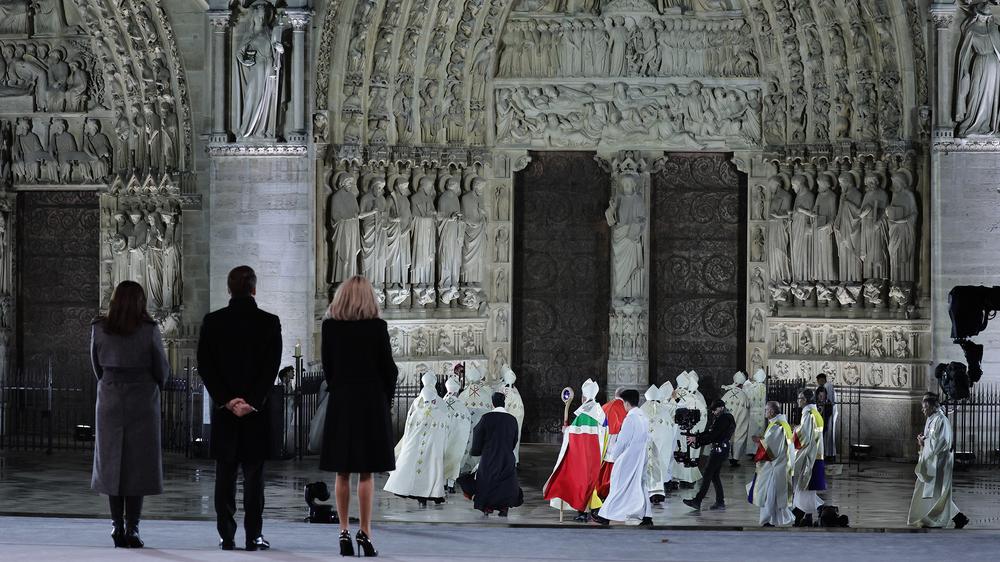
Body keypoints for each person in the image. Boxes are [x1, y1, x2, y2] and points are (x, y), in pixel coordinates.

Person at [198, 266, 282, 551]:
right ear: (254, 289)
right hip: (255, 413)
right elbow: (271, 368)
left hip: (225, 412)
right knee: (254, 478)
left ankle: (226, 535)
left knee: (225, 476)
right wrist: (252, 402)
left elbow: (206, 366)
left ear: (229, 290)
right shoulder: (270, 323)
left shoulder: (213, 322)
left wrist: (226, 400)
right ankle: (253, 536)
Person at [319, 275, 398, 557]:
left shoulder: (330, 328)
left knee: (342, 471)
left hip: (342, 401)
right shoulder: (377, 328)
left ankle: (343, 532)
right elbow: (389, 369)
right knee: (366, 472)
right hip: (371, 402)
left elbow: (327, 368)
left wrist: (341, 388)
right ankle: (364, 533)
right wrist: (383, 398)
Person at [90, 281, 169, 548]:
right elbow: (161, 367)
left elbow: (96, 366)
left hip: (110, 398)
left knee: (112, 462)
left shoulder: (99, 328)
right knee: (137, 464)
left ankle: (116, 525)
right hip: (142, 399)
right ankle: (133, 527)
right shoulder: (148, 330)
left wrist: (111, 382)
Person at [544, 378, 607, 522]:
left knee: (581, 482)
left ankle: (583, 512)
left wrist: (566, 430)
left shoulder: (586, 413)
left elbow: (577, 434)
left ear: (584, 397)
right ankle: (591, 510)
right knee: (590, 481)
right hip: (596, 454)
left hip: (583, 455)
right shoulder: (599, 411)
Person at [384, 372, 449, 507]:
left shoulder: (417, 402)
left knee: (415, 464)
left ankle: (416, 491)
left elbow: (409, 425)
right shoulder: (441, 404)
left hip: (417, 442)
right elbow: (447, 427)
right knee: (432, 467)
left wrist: (407, 441)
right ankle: (431, 493)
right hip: (433, 444)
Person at [907, 393, 969, 529]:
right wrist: (923, 441)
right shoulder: (931, 419)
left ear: (934, 406)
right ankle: (958, 517)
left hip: (940, 462)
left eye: (926, 407)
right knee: (934, 491)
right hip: (932, 461)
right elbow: (932, 439)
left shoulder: (941, 419)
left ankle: (936, 519)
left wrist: (924, 442)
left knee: (939, 491)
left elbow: (942, 442)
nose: (923, 410)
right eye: (923, 407)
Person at [457, 392, 524, 516]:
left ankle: (487, 507)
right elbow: (515, 439)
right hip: (506, 457)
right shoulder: (512, 419)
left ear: (492, 403)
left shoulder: (486, 418)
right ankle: (504, 508)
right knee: (506, 482)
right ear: (504, 403)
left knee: (487, 481)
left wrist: (477, 451)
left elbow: (477, 433)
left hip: (489, 456)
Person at [594, 389, 654, 528]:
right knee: (641, 485)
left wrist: (615, 456)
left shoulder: (630, 418)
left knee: (618, 486)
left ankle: (605, 515)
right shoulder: (643, 417)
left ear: (626, 403)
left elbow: (622, 441)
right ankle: (647, 515)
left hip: (628, 459)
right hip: (641, 457)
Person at [746, 401, 794, 527]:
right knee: (774, 496)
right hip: (780, 466)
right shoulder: (781, 424)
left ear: (772, 412)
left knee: (769, 496)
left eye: (766, 410)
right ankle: (775, 520)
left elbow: (772, 451)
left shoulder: (777, 426)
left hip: (775, 467)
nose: (765, 412)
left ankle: (766, 521)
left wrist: (759, 441)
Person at [683, 399, 736, 511]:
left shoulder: (724, 418)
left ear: (721, 407)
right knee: (714, 476)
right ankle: (720, 502)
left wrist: (697, 439)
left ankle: (697, 501)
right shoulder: (725, 417)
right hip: (721, 449)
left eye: (714, 410)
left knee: (707, 474)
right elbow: (710, 431)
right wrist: (697, 437)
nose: (713, 412)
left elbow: (713, 435)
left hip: (719, 450)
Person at [791, 389, 826, 527]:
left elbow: (804, 437)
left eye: (799, 398)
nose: (798, 400)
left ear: (805, 400)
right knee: (807, 489)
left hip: (809, 457)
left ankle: (803, 514)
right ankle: (809, 516)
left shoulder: (808, 414)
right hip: (816, 455)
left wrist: (795, 430)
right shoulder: (815, 414)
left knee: (803, 488)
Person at [596, 387, 628, 501]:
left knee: (604, 469)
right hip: (617, 442)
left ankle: (600, 491)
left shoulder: (604, 406)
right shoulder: (625, 408)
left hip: (603, 441)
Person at [443, 376, 472, 492]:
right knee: (454, 459)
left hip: (444, 439)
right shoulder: (461, 406)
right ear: (457, 390)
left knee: (443, 459)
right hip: (456, 439)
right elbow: (467, 422)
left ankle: (443, 483)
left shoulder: (441, 403)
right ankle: (451, 485)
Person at [722, 372, 751, 467]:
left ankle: (727, 455)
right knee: (739, 435)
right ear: (742, 384)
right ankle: (735, 458)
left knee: (728, 435)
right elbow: (746, 412)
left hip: (726, 420)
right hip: (739, 420)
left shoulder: (727, 394)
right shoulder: (744, 396)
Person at [815, 373, 837, 461]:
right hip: (827, 411)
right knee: (828, 434)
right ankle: (828, 453)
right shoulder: (824, 387)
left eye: (818, 381)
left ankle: (829, 454)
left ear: (822, 380)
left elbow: (828, 401)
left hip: (828, 412)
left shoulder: (827, 386)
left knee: (829, 433)